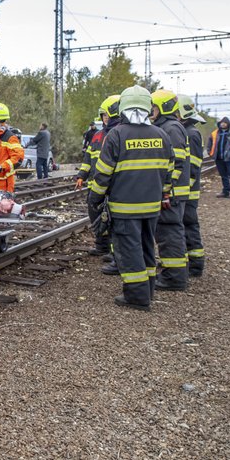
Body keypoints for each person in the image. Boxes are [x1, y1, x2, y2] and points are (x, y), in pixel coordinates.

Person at [87, 86, 173, 311]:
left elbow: (103, 172)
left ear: (123, 107)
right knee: (146, 247)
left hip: (125, 207)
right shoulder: (161, 134)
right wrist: (163, 194)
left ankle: (136, 296)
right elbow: (169, 171)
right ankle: (148, 289)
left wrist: (95, 198)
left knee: (129, 250)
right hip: (152, 207)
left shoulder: (117, 134)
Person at [150, 89, 191, 292]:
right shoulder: (168, 126)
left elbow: (176, 163)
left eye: (154, 108)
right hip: (172, 191)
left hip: (172, 193)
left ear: (164, 107)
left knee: (169, 231)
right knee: (169, 231)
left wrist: (165, 190)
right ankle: (173, 271)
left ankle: (173, 278)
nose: (151, 112)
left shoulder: (171, 128)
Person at [76, 95, 121, 270]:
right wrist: (81, 175)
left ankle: (112, 250)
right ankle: (101, 244)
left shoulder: (118, 134)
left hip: (112, 186)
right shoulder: (96, 136)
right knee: (95, 215)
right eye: (103, 116)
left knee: (112, 219)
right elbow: (88, 158)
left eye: (106, 115)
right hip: (95, 184)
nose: (104, 119)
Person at [178, 95, 206, 277]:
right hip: (186, 191)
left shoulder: (191, 134)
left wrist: (183, 190)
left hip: (188, 192)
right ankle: (191, 261)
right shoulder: (188, 131)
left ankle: (195, 265)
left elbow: (193, 167)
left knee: (189, 225)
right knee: (185, 225)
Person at [207, 116, 230, 199]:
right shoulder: (214, 133)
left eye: (225, 123)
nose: (223, 124)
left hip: (229, 158)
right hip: (219, 158)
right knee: (223, 175)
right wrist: (210, 153)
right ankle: (226, 192)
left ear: (228, 124)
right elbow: (209, 144)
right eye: (221, 123)